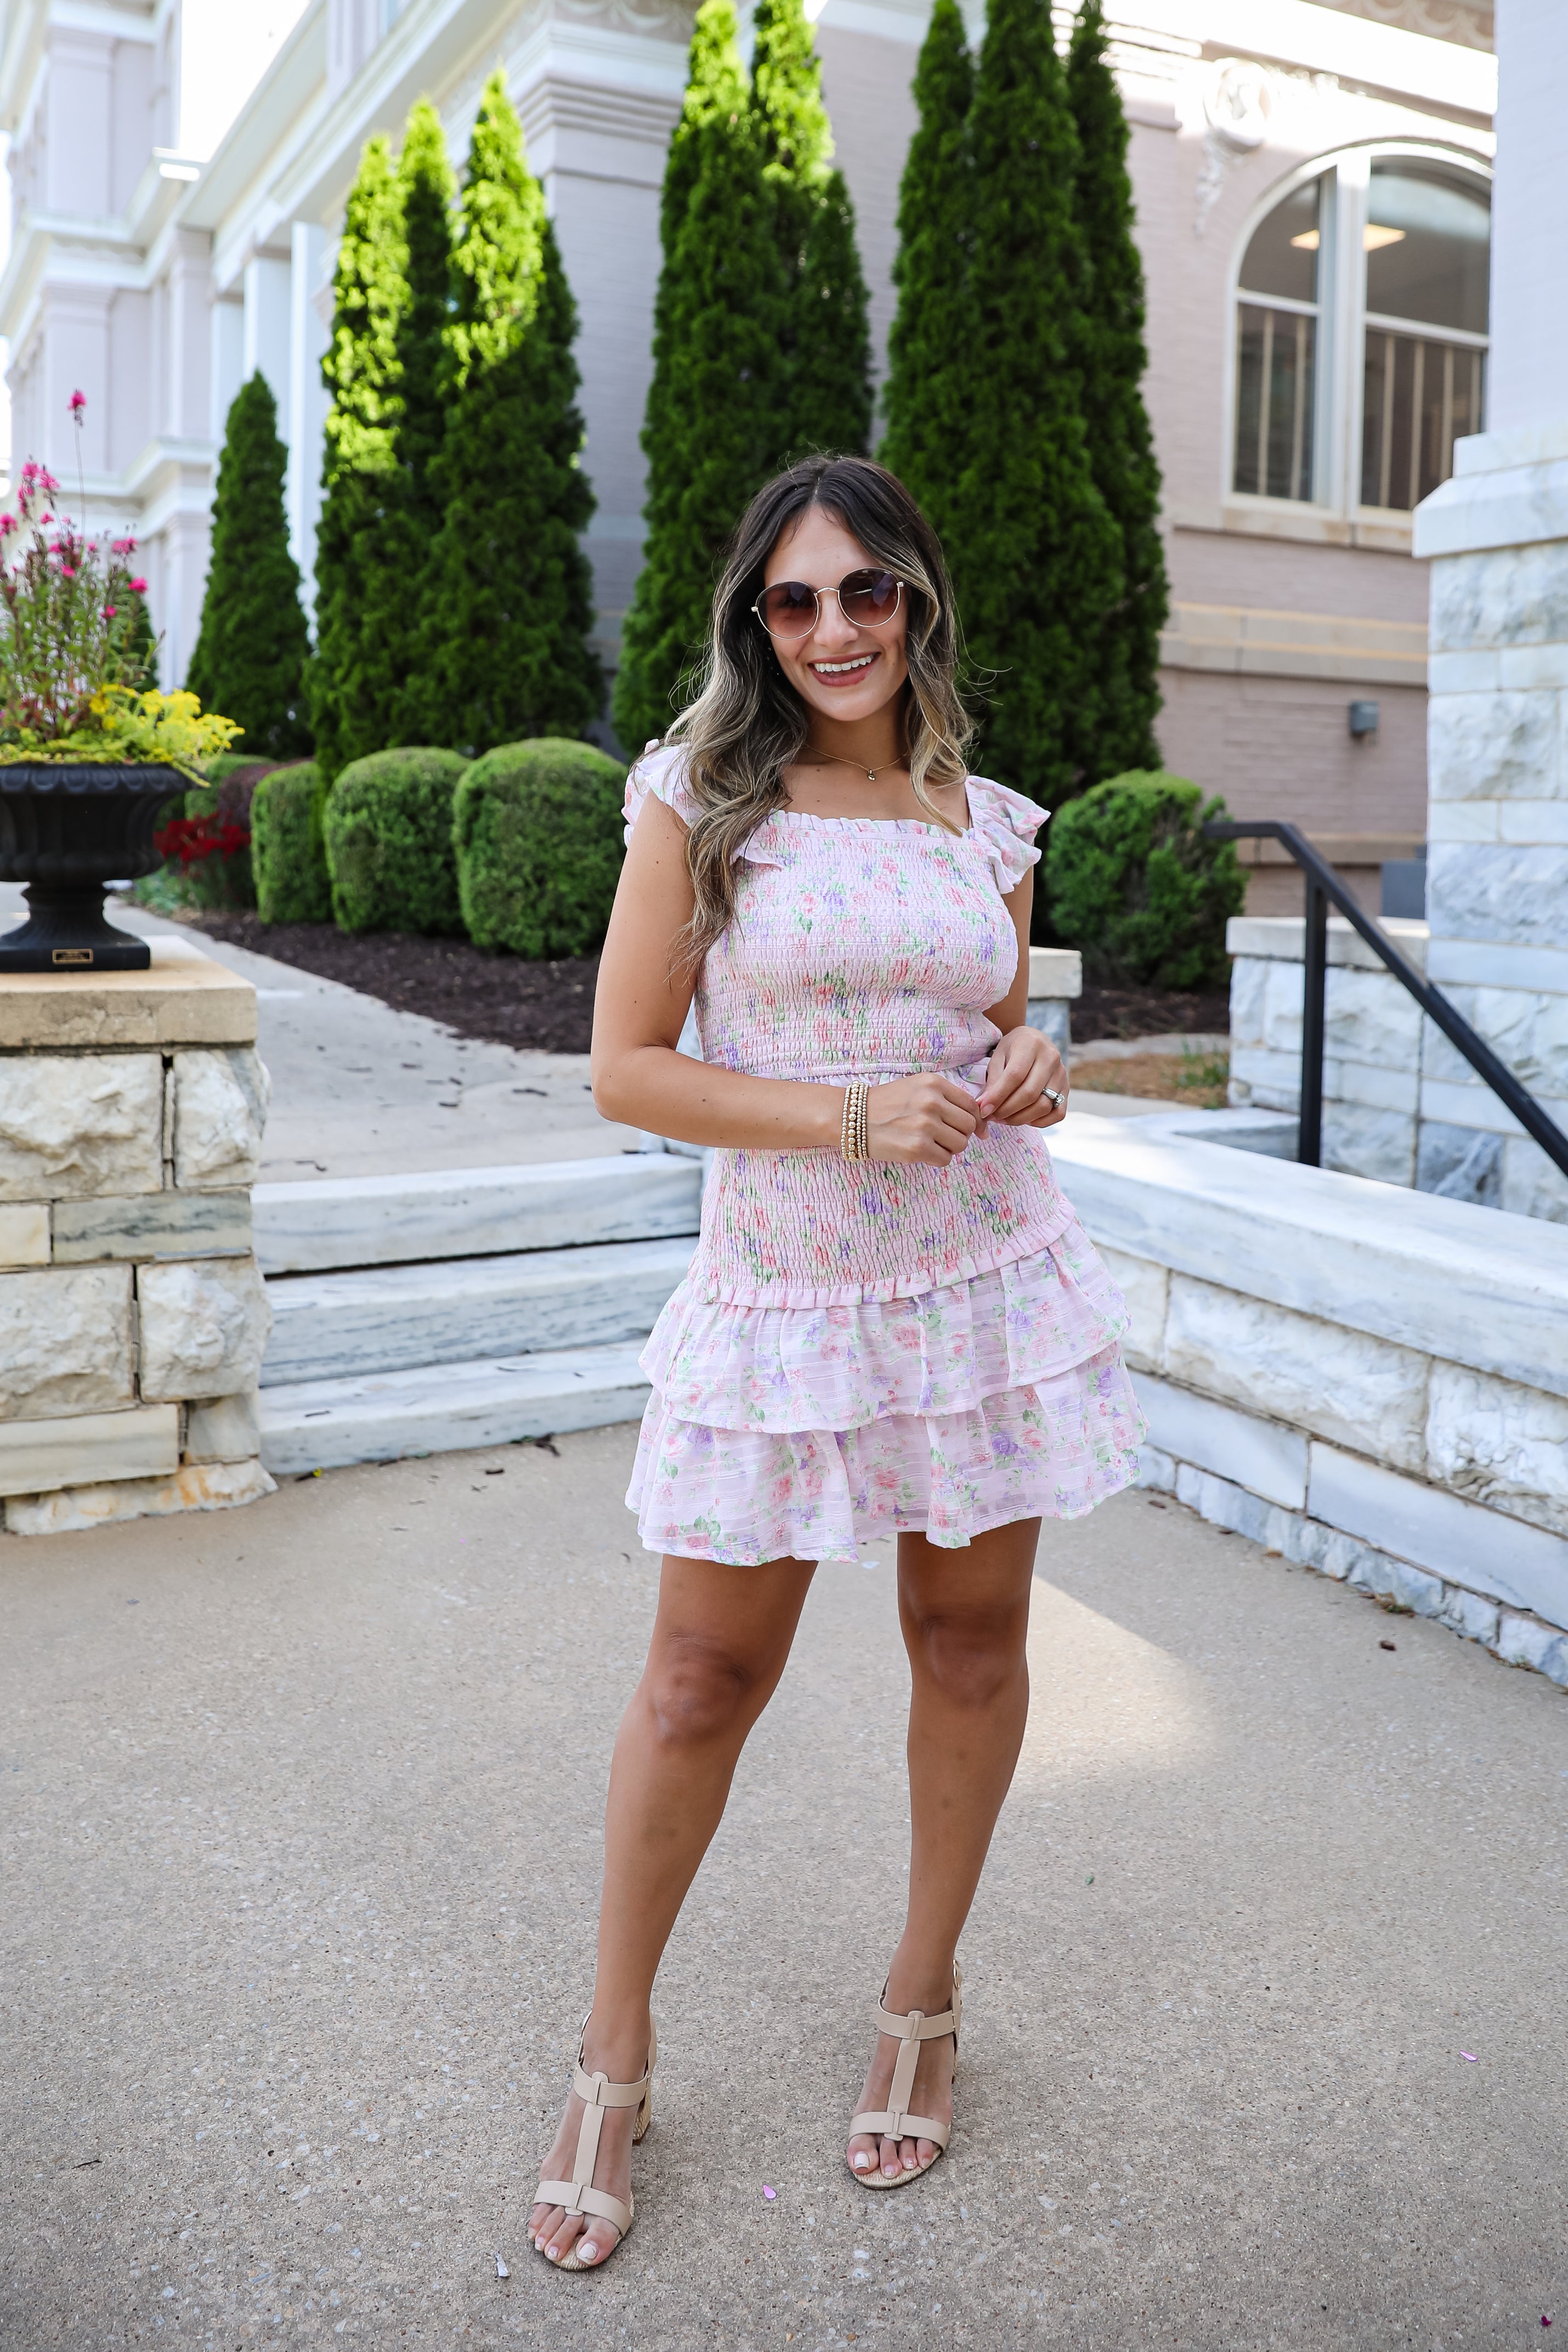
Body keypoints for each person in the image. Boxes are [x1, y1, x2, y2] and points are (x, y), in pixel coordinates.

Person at [529, 455, 1142, 2271]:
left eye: (863, 591)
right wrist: (844, 1118)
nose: (831, 631)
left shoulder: (984, 818)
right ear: (754, 618)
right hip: (780, 1300)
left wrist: (1033, 1062)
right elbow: (628, 1067)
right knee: (699, 1681)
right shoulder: (698, 799)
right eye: (794, 601)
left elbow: (1001, 1017)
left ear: (915, 599)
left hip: (978, 1287)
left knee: (968, 1642)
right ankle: (612, 2055)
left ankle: (921, 1997)